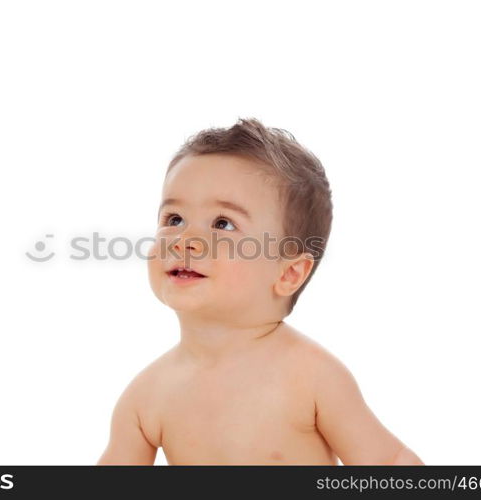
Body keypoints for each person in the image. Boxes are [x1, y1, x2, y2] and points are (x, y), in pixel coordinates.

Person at [97, 118, 423, 465]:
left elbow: (389, 462)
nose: (185, 241)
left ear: (289, 272)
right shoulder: (147, 396)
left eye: (223, 224)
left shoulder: (310, 376)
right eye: (174, 219)